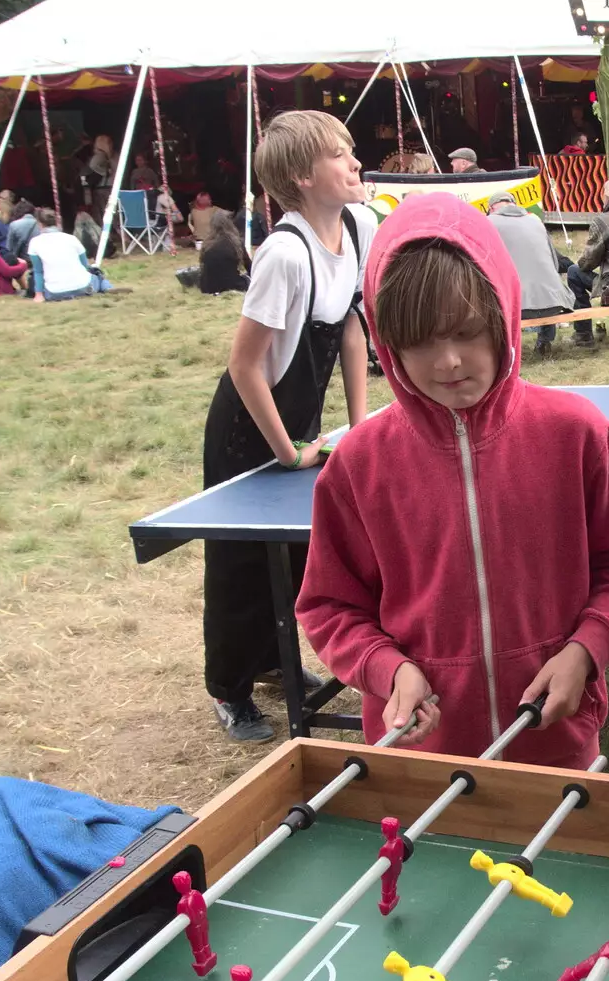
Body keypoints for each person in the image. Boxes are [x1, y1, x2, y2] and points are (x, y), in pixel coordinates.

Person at [295, 191, 609, 764]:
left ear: (503, 316)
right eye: (420, 342)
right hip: (421, 749)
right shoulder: (359, 463)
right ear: (388, 345)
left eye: (467, 332)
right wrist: (388, 670)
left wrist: (585, 652)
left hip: (555, 740)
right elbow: (329, 605)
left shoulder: (577, 433)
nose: (448, 362)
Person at [202, 110, 375, 741]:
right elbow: (245, 365)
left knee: (295, 551)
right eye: (339, 154)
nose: (355, 162)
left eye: (350, 150)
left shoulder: (357, 226)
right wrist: (286, 451)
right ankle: (229, 687)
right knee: (241, 562)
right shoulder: (284, 252)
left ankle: (275, 662)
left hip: (296, 421)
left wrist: (358, 428)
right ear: (301, 177)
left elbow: (352, 330)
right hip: (247, 428)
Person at [487, 191, 575, 355]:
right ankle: (545, 341)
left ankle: (506, 351)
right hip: (555, 303)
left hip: (516, 308)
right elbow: (555, 263)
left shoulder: (489, 223)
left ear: (491, 208)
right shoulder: (535, 220)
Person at [569, 178, 609, 345]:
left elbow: (589, 260)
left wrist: (579, 263)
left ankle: (583, 333)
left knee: (574, 272)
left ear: (607, 197)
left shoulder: (605, 220)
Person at [27, 207, 117, 301]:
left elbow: (38, 271)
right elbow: (85, 266)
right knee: (97, 274)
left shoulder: (35, 242)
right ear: (57, 222)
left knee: (34, 275)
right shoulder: (72, 239)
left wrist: (39, 294)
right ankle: (107, 287)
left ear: (40, 224)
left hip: (54, 293)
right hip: (84, 289)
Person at [199, 211, 250, 294]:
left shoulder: (206, 243)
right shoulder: (236, 242)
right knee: (247, 279)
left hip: (208, 288)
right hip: (232, 285)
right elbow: (249, 266)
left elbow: (203, 267)